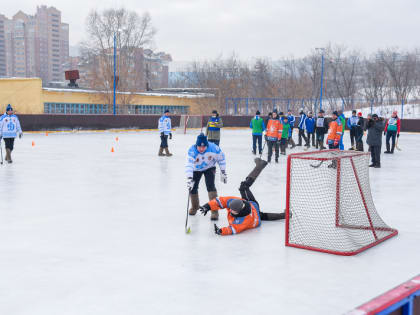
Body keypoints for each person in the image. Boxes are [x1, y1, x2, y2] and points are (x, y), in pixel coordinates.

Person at [198, 158, 285, 235]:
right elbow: (220, 201)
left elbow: (234, 229)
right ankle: (259, 166)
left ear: (240, 210)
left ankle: (285, 215)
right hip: (252, 206)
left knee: (262, 215)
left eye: (233, 210)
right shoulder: (234, 202)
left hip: (254, 217)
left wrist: (221, 231)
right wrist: (207, 206)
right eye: (230, 208)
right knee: (244, 188)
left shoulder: (244, 221)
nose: (230, 210)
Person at [186, 133, 227, 220]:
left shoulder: (214, 148)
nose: (201, 149)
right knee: (193, 187)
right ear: (196, 145)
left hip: (210, 167)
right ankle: (195, 207)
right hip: (196, 170)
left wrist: (223, 172)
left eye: (204, 147)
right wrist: (189, 178)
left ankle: (214, 211)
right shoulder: (192, 151)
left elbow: (221, 159)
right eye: (199, 147)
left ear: (207, 145)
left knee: (211, 187)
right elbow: (189, 165)